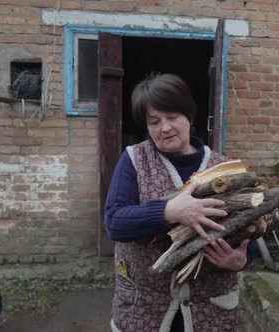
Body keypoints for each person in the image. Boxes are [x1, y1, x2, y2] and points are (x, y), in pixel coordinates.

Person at [104, 73, 255, 332]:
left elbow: (247, 232)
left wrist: (241, 261)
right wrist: (168, 211)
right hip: (145, 309)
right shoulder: (134, 160)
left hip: (210, 309)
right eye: (154, 122)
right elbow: (114, 223)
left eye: (172, 117)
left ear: (189, 116)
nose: (165, 128)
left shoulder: (224, 168)